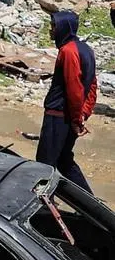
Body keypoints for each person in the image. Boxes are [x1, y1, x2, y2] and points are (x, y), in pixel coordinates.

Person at [36, 10, 97, 192]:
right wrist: (84, 113)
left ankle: (44, 209)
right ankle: (90, 205)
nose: (51, 30)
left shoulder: (68, 51)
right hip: (70, 116)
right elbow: (92, 85)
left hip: (58, 117)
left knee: (45, 165)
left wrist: (77, 118)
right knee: (64, 160)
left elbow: (74, 88)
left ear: (64, 27)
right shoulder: (86, 49)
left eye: (54, 26)